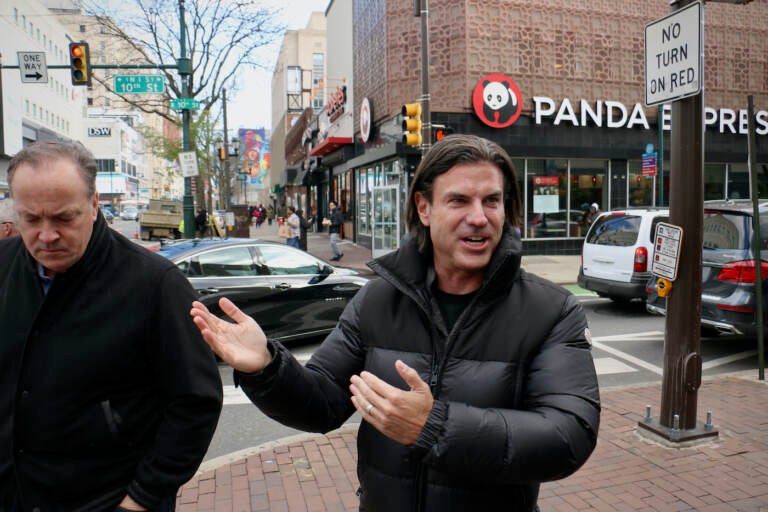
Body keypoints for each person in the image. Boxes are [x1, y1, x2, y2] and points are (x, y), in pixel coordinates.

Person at [190, 134, 600, 511]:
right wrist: (266, 367)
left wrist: (435, 427)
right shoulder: (377, 300)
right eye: (459, 201)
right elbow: (321, 405)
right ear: (424, 208)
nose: (479, 217)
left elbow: (568, 435)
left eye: (491, 201)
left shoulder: (550, 310)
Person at [0, 141, 223, 511]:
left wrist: (141, 499)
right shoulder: (3, 266)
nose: (46, 234)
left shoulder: (155, 285)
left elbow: (195, 403)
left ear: (93, 203)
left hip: (108, 499)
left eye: (63, 217)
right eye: (31, 218)